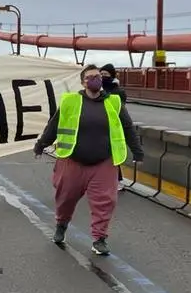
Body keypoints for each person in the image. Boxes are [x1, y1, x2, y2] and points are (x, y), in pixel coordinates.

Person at [34, 64, 145, 255]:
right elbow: (54, 125)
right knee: (65, 198)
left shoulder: (114, 102)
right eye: (90, 77)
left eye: (97, 77)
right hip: (73, 161)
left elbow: (128, 128)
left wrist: (137, 151)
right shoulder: (70, 101)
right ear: (82, 82)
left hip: (103, 162)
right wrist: (41, 144)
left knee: (105, 201)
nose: (94, 80)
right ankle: (61, 225)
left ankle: (99, 239)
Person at [98, 63, 129, 188]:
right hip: (99, 125)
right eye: (101, 74)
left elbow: (120, 110)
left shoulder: (118, 91)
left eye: (106, 74)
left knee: (112, 154)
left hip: (113, 127)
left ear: (112, 75)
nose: (103, 77)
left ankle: (117, 180)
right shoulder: (96, 89)